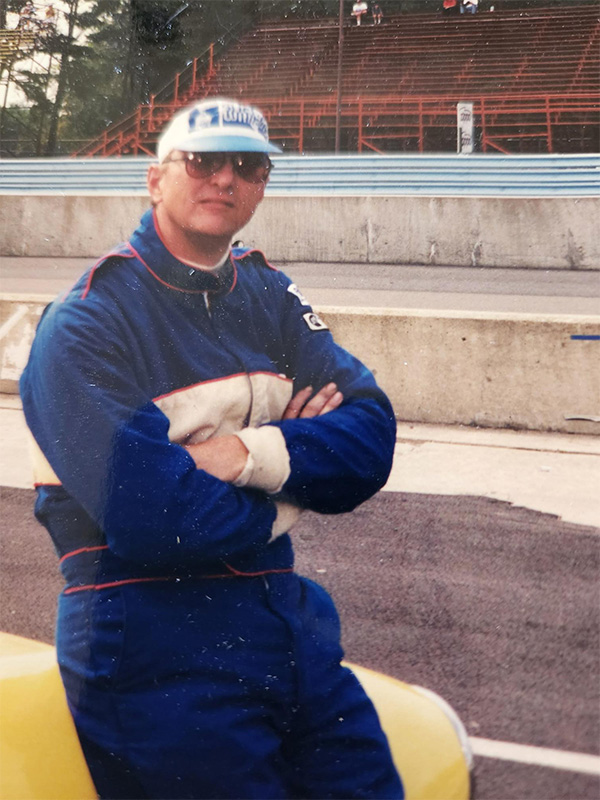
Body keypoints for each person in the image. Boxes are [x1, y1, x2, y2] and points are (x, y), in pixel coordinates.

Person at [20, 97, 403, 800]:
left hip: (288, 621)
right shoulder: (85, 322)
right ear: (155, 177)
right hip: (148, 636)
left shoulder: (271, 295)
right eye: (202, 161)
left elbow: (372, 435)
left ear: (262, 183)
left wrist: (243, 457)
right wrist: (294, 483)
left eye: (247, 165)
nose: (223, 179)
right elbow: (154, 520)